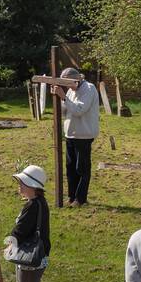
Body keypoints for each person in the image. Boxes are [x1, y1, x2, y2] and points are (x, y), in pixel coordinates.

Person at [6, 164, 50, 282]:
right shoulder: (40, 203)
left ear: (32, 185)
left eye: (22, 183)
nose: (19, 186)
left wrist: (9, 242)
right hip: (37, 258)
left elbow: (20, 231)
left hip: (30, 260)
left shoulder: (32, 206)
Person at [52, 68, 99, 206]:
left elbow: (79, 110)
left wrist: (64, 97)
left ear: (75, 79)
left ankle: (80, 199)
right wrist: (58, 97)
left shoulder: (89, 89)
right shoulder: (71, 91)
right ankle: (72, 197)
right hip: (71, 134)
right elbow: (66, 110)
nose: (66, 87)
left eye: (67, 83)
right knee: (71, 168)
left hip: (84, 135)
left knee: (82, 169)